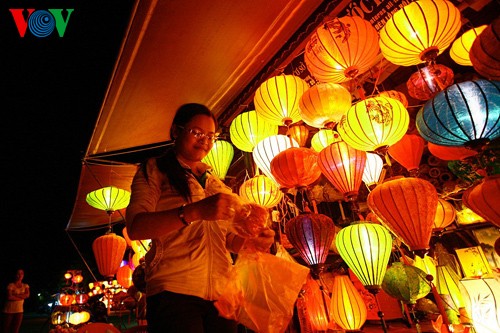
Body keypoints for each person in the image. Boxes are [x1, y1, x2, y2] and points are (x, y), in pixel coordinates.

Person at [126, 103, 275, 333]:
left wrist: (253, 241)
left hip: (222, 294)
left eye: (210, 135)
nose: (205, 140)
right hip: (174, 291)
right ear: (176, 131)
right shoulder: (154, 169)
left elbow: (228, 239)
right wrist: (194, 211)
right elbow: (137, 227)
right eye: (197, 132)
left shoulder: (215, 182)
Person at [2, 269, 29, 333]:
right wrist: (22, 296)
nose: (20, 275)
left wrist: (15, 295)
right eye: (18, 274)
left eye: (21, 274)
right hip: (9, 310)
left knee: (15, 330)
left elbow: (27, 295)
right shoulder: (11, 285)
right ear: (15, 275)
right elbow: (9, 297)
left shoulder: (25, 286)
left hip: (19, 310)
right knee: (6, 329)